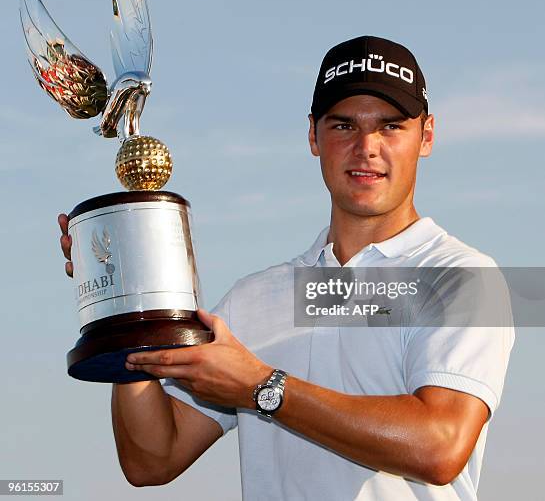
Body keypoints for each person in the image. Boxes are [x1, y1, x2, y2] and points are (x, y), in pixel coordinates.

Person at [58, 35, 514, 500]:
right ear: (313, 135)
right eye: (343, 126)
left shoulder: (464, 276)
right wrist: (123, 300)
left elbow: (439, 447)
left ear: (428, 135)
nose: (367, 147)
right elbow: (152, 459)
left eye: (391, 126)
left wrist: (261, 387)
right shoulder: (255, 298)